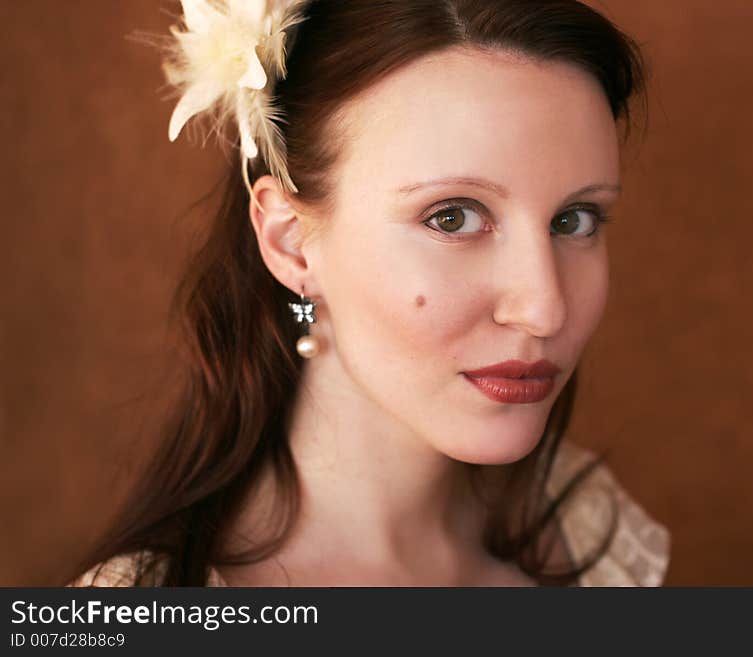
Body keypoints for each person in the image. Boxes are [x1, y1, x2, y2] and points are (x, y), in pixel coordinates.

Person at [67, 0, 670, 587]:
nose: (545, 309)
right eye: (452, 217)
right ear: (291, 243)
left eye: (576, 220)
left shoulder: (583, 529)